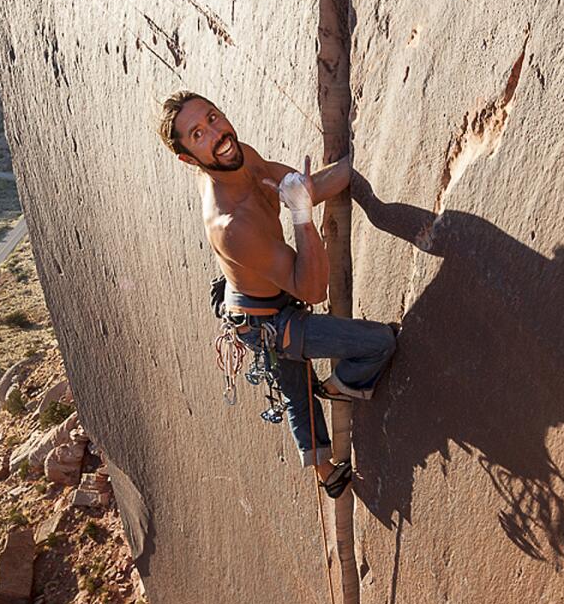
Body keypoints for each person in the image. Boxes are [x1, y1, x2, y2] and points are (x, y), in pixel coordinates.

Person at [157, 90, 398, 498]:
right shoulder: (230, 224)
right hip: (268, 321)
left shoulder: (239, 154)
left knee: (294, 388)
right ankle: (342, 388)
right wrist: (301, 215)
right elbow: (313, 288)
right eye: (198, 134)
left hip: (259, 295)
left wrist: (367, 153)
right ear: (188, 158)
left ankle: (325, 454)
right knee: (379, 343)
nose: (216, 133)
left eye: (213, 117)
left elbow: (308, 187)